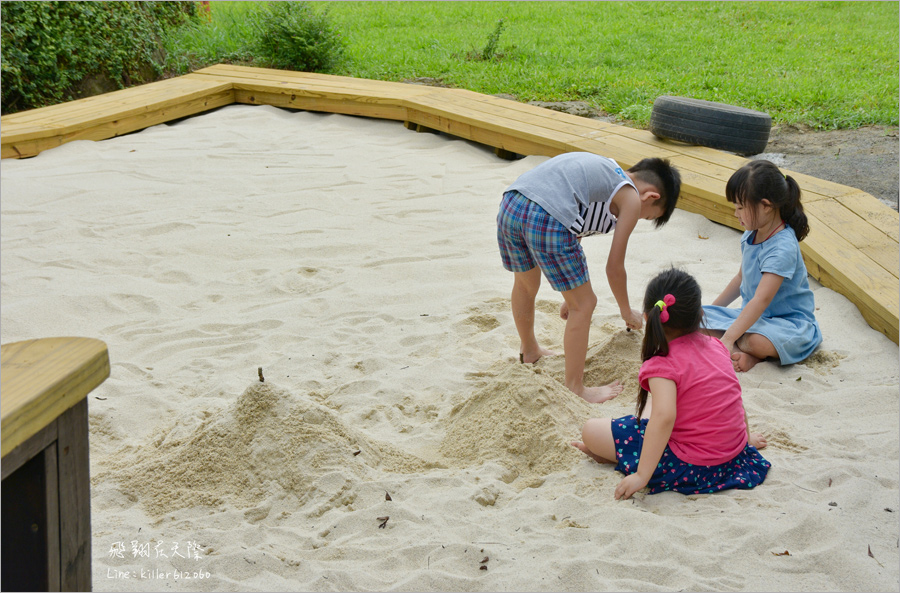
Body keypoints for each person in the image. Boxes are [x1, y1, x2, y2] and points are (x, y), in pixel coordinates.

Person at [496, 152, 681, 403]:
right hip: (547, 216)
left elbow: (576, 225)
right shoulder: (630, 196)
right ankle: (575, 387)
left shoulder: (607, 172)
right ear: (651, 197)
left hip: (512, 204)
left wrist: (569, 292)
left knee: (526, 285)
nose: (638, 217)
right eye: (647, 216)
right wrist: (626, 311)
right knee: (585, 304)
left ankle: (529, 349)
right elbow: (614, 267)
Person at [571, 268, 771, 500]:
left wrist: (641, 476)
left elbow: (664, 418)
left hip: (692, 466)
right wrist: (745, 439)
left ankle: (621, 460)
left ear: (648, 317)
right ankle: (617, 457)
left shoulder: (663, 364)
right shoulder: (717, 346)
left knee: (591, 430)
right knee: (661, 401)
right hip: (734, 458)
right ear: (700, 314)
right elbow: (733, 396)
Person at [702, 159, 822, 372]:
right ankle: (740, 347)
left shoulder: (782, 247)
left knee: (755, 341)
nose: (735, 213)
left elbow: (761, 300)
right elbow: (740, 279)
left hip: (787, 325)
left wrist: (728, 338)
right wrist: (713, 310)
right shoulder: (752, 233)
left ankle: (752, 355)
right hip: (752, 318)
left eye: (740, 207)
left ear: (766, 206)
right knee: (695, 321)